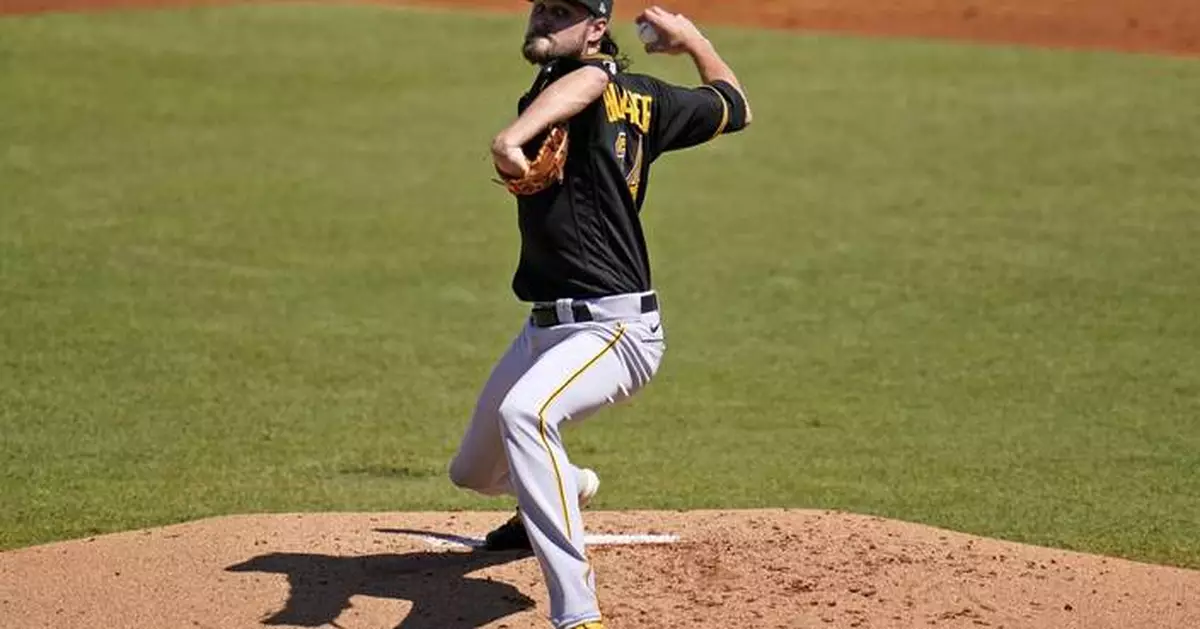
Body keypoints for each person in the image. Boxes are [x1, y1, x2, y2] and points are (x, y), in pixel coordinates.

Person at [448, 1, 752, 627]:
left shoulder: (594, 80)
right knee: (471, 472)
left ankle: (577, 612)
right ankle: (570, 484)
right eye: (541, 8)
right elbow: (732, 102)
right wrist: (692, 41)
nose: (543, 20)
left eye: (563, 13)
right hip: (545, 331)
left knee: (524, 414)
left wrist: (510, 138)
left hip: (617, 329)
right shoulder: (639, 96)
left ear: (594, 30)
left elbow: (593, 81)